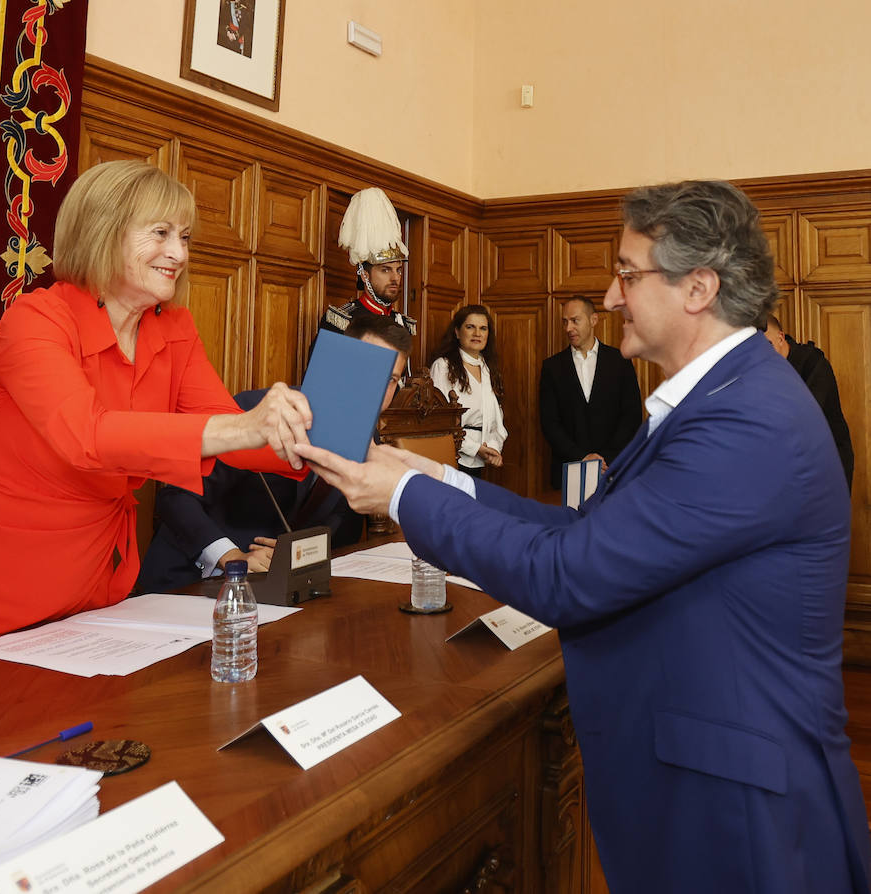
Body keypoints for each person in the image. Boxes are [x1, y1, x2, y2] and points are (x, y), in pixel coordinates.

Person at [295, 180, 871, 893]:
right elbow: (590, 530)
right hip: (705, 781)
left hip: (738, 810)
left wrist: (404, 496)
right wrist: (441, 481)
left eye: (627, 275)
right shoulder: (725, 397)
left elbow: (571, 573)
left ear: (698, 288)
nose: (608, 297)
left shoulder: (745, 420)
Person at [0, 160, 313, 651]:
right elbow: (87, 436)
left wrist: (328, 447)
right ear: (104, 232)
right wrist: (245, 429)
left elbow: (232, 434)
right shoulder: (38, 317)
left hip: (91, 570)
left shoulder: (173, 328)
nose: (178, 253)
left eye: (185, 237)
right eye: (161, 233)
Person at [137, 316, 410, 593]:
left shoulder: (368, 441)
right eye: (367, 368)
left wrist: (300, 552)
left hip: (274, 590)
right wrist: (233, 558)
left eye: (390, 379)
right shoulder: (256, 410)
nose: (375, 387)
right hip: (188, 580)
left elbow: (339, 527)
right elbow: (176, 498)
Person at [538, 295, 643, 489]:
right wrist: (582, 457)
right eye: (565, 322)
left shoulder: (620, 361)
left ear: (593, 320)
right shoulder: (552, 367)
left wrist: (604, 459)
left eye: (575, 320)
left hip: (614, 468)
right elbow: (549, 423)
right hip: (569, 471)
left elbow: (632, 415)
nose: (568, 328)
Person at [763, 314, 855, 490]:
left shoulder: (813, 363)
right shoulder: (760, 367)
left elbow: (803, 418)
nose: (763, 354)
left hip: (828, 462)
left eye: (768, 346)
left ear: (780, 338)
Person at [319, 187, 417, 341]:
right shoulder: (344, 321)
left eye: (398, 270)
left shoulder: (401, 323)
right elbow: (323, 365)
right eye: (385, 270)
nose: (395, 278)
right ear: (365, 275)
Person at [428, 305, 507, 477]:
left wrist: (493, 447)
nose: (477, 333)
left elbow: (496, 419)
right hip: (453, 458)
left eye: (483, 328)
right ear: (457, 332)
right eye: (470, 327)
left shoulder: (488, 368)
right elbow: (440, 421)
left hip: (481, 460)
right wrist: (474, 448)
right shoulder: (443, 366)